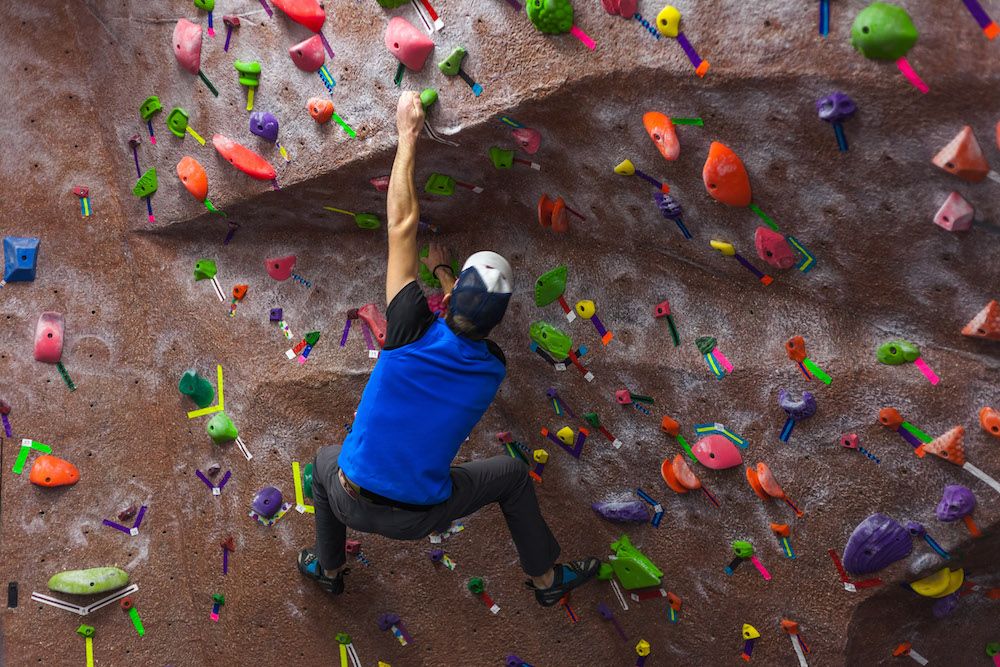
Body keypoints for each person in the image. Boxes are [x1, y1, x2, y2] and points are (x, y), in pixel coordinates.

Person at [296, 91, 600, 607]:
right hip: (423, 516)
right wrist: (445, 275)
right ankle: (546, 582)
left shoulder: (410, 324)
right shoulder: (493, 367)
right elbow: (466, 330)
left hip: (350, 496)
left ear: (447, 297)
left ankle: (329, 568)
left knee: (325, 464)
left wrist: (408, 134)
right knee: (509, 476)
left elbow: (401, 226)